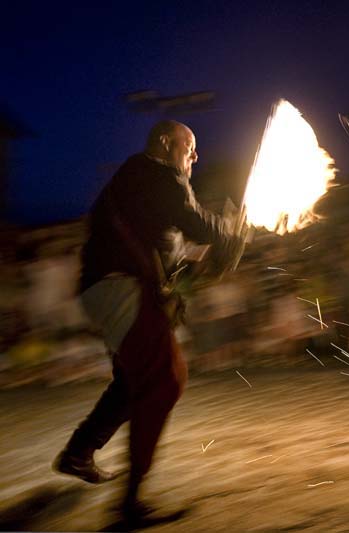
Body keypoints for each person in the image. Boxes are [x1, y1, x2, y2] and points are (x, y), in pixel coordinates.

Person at [53, 120, 245, 523]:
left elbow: (176, 251)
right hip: (119, 287)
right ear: (164, 143)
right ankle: (130, 504)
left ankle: (78, 452)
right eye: (189, 145)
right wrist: (229, 233)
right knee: (165, 379)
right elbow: (195, 221)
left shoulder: (144, 181)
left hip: (109, 288)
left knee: (131, 382)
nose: (195, 155)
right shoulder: (157, 174)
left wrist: (214, 251)